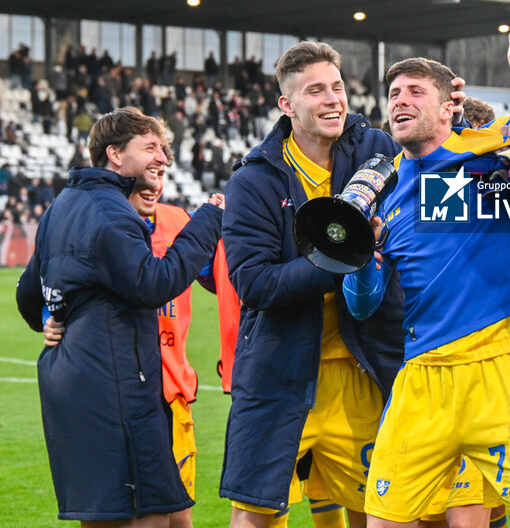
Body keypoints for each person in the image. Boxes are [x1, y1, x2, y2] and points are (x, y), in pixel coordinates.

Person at [344, 57, 510, 527]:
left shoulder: (490, 149)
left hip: (502, 362)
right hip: (422, 375)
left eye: (415, 91)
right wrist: (361, 259)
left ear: (448, 107)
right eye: (395, 93)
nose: (400, 99)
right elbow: (362, 304)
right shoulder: (386, 190)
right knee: (382, 517)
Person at [219, 41, 407, 528]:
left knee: (378, 512)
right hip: (279, 372)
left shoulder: (377, 149)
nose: (333, 100)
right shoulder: (254, 180)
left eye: (338, 87)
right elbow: (254, 283)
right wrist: (345, 256)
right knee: (255, 514)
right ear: (287, 105)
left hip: (362, 369)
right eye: (316, 90)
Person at [16, 106, 224, 526]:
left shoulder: (63, 205)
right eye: (150, 147)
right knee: (139, 515)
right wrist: (207, 222)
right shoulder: (112, 212)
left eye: (163, 149)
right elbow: (153, 284)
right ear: (114, 154)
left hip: (79, 386)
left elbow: (27, 294)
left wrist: (53, 317)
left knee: (164, 512)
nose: (163, 158)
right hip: (115, 390)